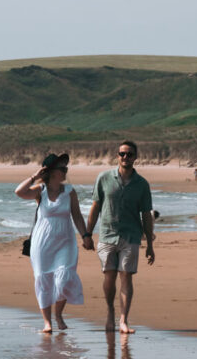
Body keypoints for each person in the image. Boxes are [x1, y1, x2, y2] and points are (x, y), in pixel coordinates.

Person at [85, 140, 155, 334]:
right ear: (117, 156)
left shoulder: (142, 184)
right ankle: (110, 312)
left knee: (126, 278)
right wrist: (87, 234)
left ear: (136, 157)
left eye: (129, 154)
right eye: (122, 154)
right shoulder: (104, 178)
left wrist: (150, 244)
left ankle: (123, 320)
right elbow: (95, 207)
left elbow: (147, 215)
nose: (125, 157)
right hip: (107, 235)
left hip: (131, 237)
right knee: (109, 277)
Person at [15, 152, 87, 333]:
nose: (65, 171)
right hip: (43, 243)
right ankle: (47, 322)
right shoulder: (41, 191)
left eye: (66, 168)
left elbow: (77, 216)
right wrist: (34, 177)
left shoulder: (70, 191)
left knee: (64, 277)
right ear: (51, 171)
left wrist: (86, 235)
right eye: (62, 168)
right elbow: (19, 192)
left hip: (66, 241)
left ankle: (59, 314)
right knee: (43, 279)